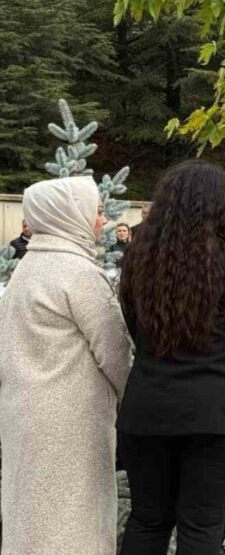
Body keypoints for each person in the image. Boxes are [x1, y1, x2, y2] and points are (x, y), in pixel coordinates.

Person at [117, 160, 225, 554]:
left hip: (148, 408)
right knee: (201, 527)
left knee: (148, 520)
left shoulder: (137, 262)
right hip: (217, 410)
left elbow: (134, 330)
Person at [0, 178, 132, 555]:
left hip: (22, 416)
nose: (102, 222)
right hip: (70, 424)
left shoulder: (25, 271)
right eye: (96, 211)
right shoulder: (79, 274)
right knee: (74, 522)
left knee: (32, 520)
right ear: (68, 214)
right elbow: (115, 352)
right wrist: (131, 400)